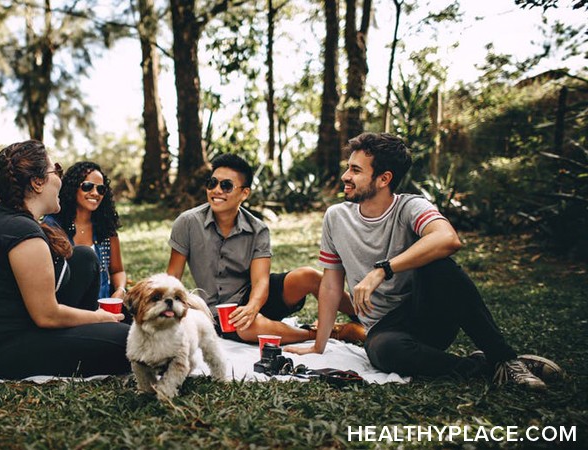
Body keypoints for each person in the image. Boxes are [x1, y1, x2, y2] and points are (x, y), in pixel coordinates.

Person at [285, 132, 561, 389]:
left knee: (440, 264)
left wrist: (383, 270)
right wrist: (318, 346)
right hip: (385, 330)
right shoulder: (336, 217)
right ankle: (485, 366)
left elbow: (448, 239)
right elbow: (332, 286)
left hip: (429, 314)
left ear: (384, 178)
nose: (345, 175)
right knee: (384, 352)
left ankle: (505, 358)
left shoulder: (410, 206)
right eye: (348, 167)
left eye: (356, 170)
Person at [0, 140, 130, 379]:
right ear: (37, 183)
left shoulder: (14, 221)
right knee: (129, 342)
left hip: (20, 325)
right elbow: (47, 315)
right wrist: (99, 317)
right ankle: (99, 332)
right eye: (55, 170)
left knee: (84, 258)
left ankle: (94, 332)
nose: (60, 178)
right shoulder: (21, 233)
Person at [167, 153, 355, 344]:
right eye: (212, 183)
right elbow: (172, 278)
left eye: (226, 186)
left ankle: (365, 318)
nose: (216, 190)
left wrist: (252, 307)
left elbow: (260, 282)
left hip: (255, 297)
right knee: (247, 327)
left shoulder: (258, 229)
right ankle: (329, 333)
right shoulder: (187, 223)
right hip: (218, 312)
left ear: (244, 193)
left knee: (309, 275)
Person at [43, 162, 127, 299]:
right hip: (67, 309)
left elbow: (117, 271)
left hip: (104, 309)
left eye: (101, 189)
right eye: (87, 186)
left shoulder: (105, 227)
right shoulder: (53, 226)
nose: (95, 193)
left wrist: (120, 290)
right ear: (72, 188)